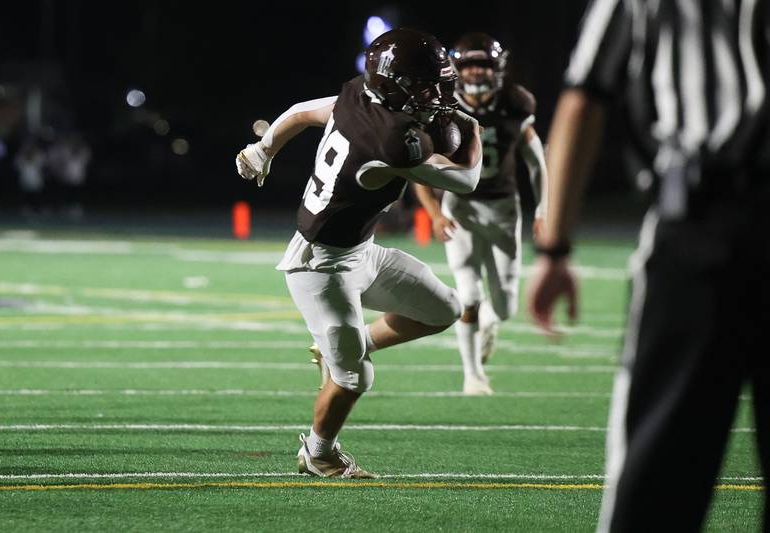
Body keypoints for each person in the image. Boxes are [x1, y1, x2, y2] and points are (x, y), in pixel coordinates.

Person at [526, 1, 769, 531]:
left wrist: (555, 250)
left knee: (658, 480)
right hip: (701, 224)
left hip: (702, 230)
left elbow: (584, 98)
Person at [236, 28, 482, 478]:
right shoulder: (389, 143)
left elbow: (298, 112)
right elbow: (466, 181)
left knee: (445, 308)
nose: (437, 95)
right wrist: (475, 134)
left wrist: (261, 149)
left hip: (359, 252)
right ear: (394, 84)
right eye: (425, 85)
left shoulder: (359, 98)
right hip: (320, 267)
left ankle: (341, 347)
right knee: (355, 377)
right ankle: (319, 453)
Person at [413, 32, 549, 395]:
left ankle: (491, 319)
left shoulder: (515, 102)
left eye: (483, 64)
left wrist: (544, 209)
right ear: (457, 68)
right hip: (460, 208)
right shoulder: (440, 106)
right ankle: (473, 375)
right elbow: (417, 166)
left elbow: (536, 161)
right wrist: (435, 214)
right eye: (469, 64)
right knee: (468, 295)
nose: (475, 71)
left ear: (497, 68)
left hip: (504, 209)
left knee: (504, 306)